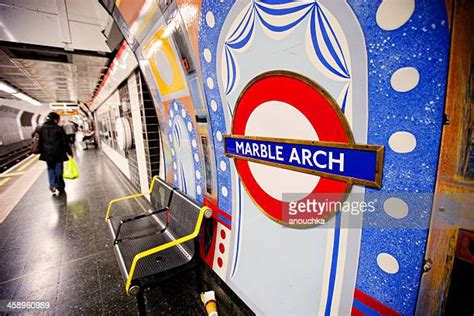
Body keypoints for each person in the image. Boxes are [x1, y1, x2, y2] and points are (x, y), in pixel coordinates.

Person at [34, 112, 73, 196]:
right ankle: (60, 186)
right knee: (58, 171)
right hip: (58, 153)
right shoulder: (58, 128)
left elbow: (35, 137)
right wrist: (69, 152)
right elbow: (64, 142)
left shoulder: (40, 128)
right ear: (55, 119)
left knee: (50, 169)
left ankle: (52, 185)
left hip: (47, 154)